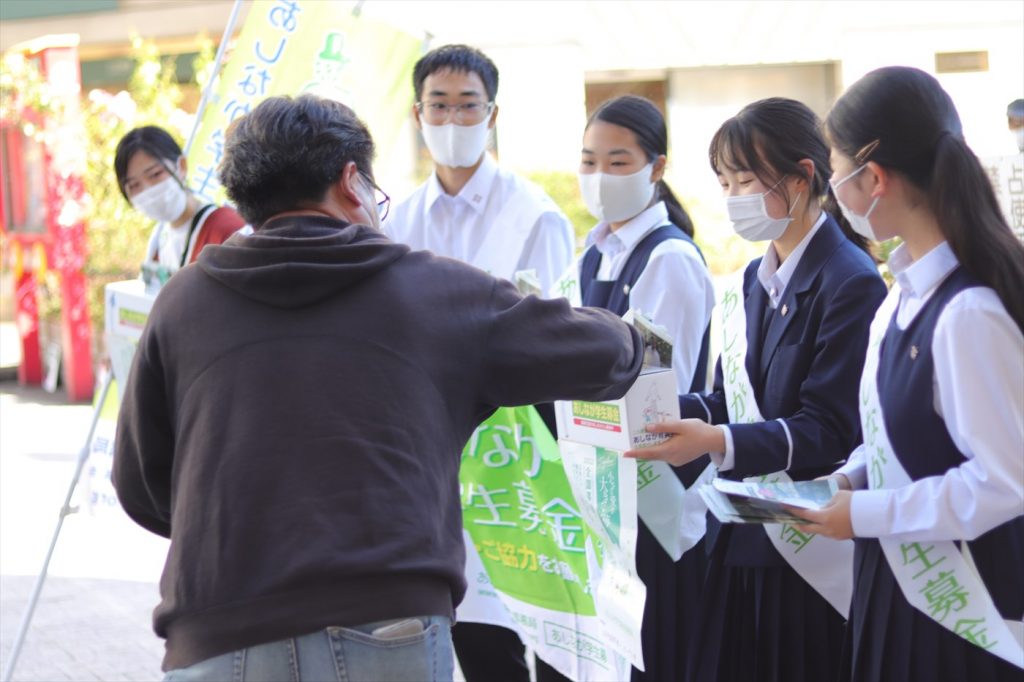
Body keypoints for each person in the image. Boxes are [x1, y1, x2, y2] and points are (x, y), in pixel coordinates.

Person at [111, 94, 645, 682]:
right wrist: (632, 337)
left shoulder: (182, 301)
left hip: (214, 632)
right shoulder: (431, 290)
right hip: (386, 621)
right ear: (350, 182)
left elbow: (141, 485)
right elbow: (605, 354)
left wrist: (245, 520)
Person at [627, 97, 887, 682]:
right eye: (724, 181)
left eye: (746, 178)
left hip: (806, 551)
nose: (734, 196)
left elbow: (828, 430)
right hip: (739, 536)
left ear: (803, 178)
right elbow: (730, 400)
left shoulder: (850, 282)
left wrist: (714, 438)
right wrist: (652, 407)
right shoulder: (750, 278)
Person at [790, 66, 1024, 682]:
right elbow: (894, 433)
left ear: (873, 178)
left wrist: (865, 514)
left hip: (963, 612)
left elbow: (1002, 483)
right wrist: (846, 480)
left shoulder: (968, 311)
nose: (833, 187)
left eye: (836, 168)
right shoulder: (901, 294)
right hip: (894, 583)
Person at [383, 43, 575, 682]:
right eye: (440, 105)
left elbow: (550, 345)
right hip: (429, 454)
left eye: (469, 106)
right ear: (418, 113)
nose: (454, 120)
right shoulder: (398, 221)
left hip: (515, 458)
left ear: (493, 116)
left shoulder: (536, 216)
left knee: (532, 627)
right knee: (468, 632)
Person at [576, 94, 714, 682]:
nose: (600, 178)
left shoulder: (670, 260)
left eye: (618, 162)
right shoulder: (595, 249)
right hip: (614, 490)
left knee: (659, 655)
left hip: (661, 499)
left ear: (657, 168)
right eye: (588, 162)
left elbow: (660, 396)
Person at [114, 125, 246, 277]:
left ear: (181, 166)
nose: (148, 190)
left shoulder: (227, 229)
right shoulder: (159, 238)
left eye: (155, 174)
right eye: (134, 185)